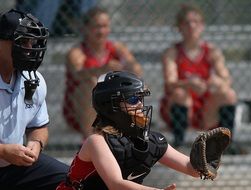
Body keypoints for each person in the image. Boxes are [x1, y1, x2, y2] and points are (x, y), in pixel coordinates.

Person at [57, 71, 202, 190]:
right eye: (133, 99)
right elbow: (116, 184)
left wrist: (207, 160)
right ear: (111, 106)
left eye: (140, 98)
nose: (140, 104)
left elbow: (192, 169)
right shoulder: (97, 141)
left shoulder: (151, 141)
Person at [0, 9, 69, 189]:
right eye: (22, 42)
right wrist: (3, 151)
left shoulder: (33, 80)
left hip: (15, 167)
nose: (29, 48)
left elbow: (39, 127)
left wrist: (36, 143)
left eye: (31, 41)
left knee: (71, 180)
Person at [160, 4, 237, 147]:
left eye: (196, 22)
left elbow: (226, 78)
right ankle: (179, 141)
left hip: (205, 106)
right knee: (179, 93)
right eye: (186, 23)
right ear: (179, 27)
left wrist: (218, 82)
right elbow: (170, 82)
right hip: (181, 107)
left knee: (228, 94)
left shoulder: (211, 51)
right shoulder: (173, 52)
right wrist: (188, 84)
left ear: (202, 26)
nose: (192, 26)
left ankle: (228, 144)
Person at [63, 6, 143, 139]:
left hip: (111, 107)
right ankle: (90, 140)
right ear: (86, 28)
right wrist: (102, 70)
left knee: (133, 85)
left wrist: (125, 67)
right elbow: (77, 74)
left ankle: (133, 138)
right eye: (96, 27)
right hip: (80, 112)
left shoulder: (116, 48)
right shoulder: (78, 52)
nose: (101, 31)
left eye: (105, 26)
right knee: (91, 83)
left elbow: (137, 70)